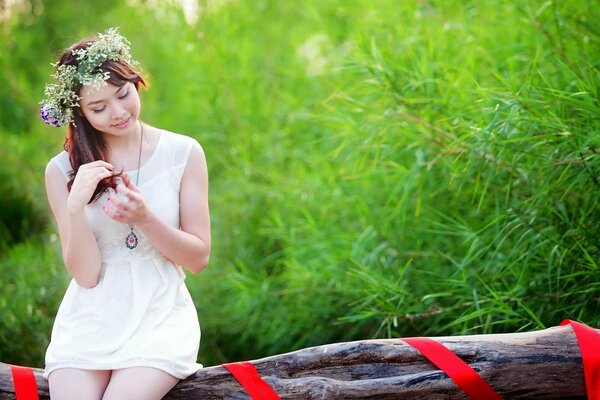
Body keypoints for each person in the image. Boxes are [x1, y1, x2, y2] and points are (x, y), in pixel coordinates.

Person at [40, 28, 211, 400]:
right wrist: (75, 207)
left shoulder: (183, 152)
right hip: (89, 320)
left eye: (123, 94)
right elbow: (85, 276)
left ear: (136, 83)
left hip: (159, 317)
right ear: (79, 113)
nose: (118, 113)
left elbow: (198, 258)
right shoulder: (61, 171)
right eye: (99, 108)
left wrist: (145, 217)